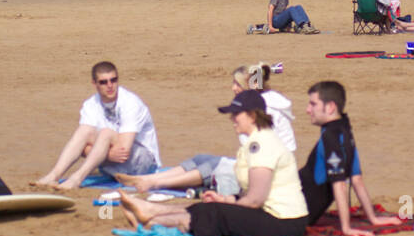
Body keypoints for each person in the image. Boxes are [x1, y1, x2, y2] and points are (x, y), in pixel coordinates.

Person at [118, 89, 308, 236]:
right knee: (209, 206)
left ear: (251, 116)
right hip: (272, 214)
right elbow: (249, 196)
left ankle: (153, 220)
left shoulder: (263, 144)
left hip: (285, 222)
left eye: (236, 114)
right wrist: (224, 198)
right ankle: (152, 212)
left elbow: (254, 201)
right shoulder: (253, 143)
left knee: (213, 213)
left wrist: (226, 203)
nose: (232, 118)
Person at [115, 63, 295, 195]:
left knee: (213, 166)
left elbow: (265, 152)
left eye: (238, 84)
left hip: (268, 172)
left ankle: (156, 184)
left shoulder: (263, 111)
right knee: (202, 158)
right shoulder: (258, 104)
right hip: (257, 163)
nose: (233, 88)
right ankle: (149, 179)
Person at [34, 61, 161, 191]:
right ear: (94, 83)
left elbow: (124, 150)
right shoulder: (90, 105)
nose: (110, 86)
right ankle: (54, 175)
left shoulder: (130, 103)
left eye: (113, 80)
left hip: (142, 163)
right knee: (85, 131)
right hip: (112, 165)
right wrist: (107, 154)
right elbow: (82, 148)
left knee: (106, 133)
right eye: (103, 82)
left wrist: (101, 151)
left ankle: (76, 178)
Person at [299, 81, 403, 236]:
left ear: (330, 107)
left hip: (291, 214)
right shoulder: (344, 129)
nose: (308, 110)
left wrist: (346, 228)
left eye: (313, 104)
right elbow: (357, 179)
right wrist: (373, 218)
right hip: (296, 205)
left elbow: (340, 185)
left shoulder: (332, 137)